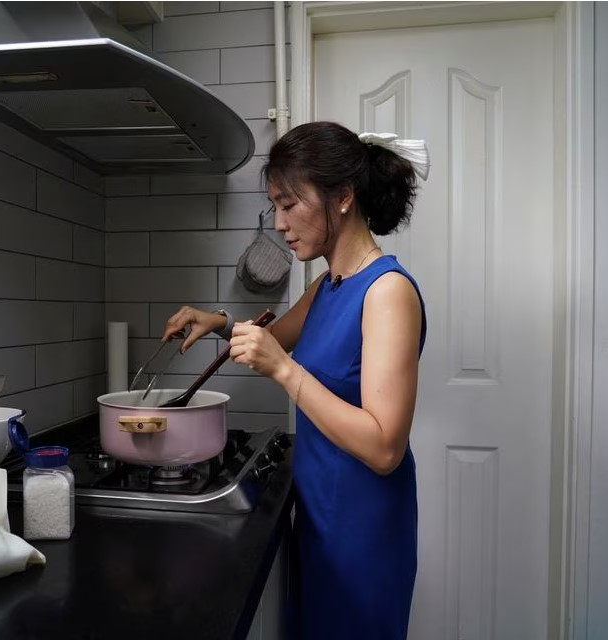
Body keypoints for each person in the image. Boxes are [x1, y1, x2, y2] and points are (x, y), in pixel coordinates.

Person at [160, 121, 428, 639]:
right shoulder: (329, 285)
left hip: (363, 529)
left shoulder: (387, 291)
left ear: (343, 196)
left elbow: (384, 447)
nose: (280, 223)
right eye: (275, 206)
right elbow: (274, 338)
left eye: (289, 203)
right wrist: (216, 321)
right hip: (320, 513)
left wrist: (284, 371)